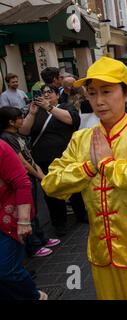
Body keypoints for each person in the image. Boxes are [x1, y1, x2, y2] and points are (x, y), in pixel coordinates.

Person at [41, 56, 127, 300]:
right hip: (102, 253)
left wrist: (108, 165)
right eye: (92, 93)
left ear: (125, 93)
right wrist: (89, 167)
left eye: (107, 91)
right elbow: (51, 184)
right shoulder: (82, 139)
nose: (99, 101)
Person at [19, 84, 81, 236]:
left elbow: (72, 120)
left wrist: (50, 108)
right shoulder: (35, 111)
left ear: (57, 95)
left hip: (65, 156)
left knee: (74, 187)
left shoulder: (65, 107)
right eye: (43, 92)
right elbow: (24, 131)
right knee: (51, 192)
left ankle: (81, 214)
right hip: (44, 158)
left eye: (49, 92)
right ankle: (59, 223)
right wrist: (32, 114)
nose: (46, 95)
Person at [0, 107, 61, 257]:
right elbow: (23, 163)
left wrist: (39, 173)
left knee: (33, 210)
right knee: (27, 213)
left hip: (31, 176)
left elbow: (29, 158)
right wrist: (40, 176)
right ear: (11, 122)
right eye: (20, 117)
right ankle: (34, 245)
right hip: (23, 178)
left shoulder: (16, 135)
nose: (23, 119)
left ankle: (40, 239)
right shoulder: (6, 138)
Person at [0, 139, 47, 300]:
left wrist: (24, 220)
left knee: (6, 271)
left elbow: (22, 183)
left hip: (7, 221)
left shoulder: (2, 148)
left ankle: (34, 296)